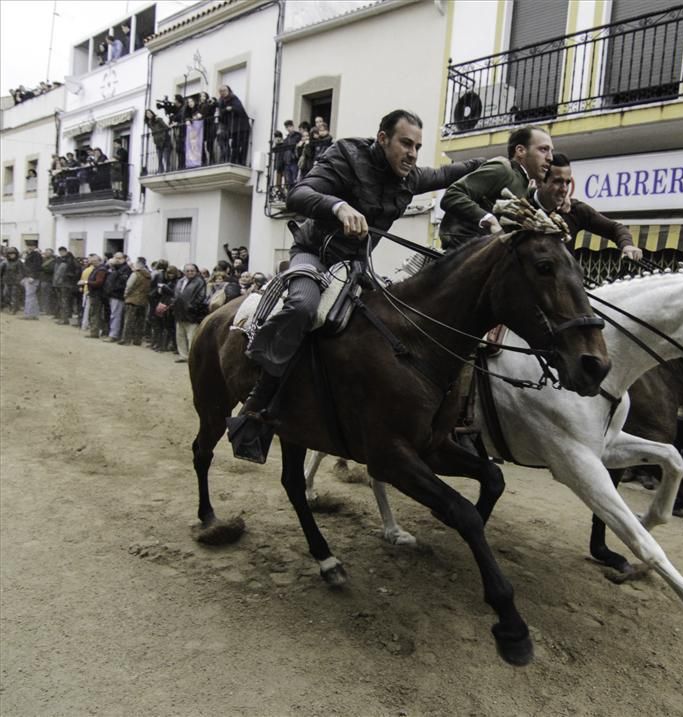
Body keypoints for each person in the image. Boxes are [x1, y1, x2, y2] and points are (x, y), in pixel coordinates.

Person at [230, 109, 484, 463]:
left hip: (355, 268)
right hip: (314, 255)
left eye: (417, 147)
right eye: (405, 143)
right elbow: (298, 195)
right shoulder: (346, 155)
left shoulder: (409, 179)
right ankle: (258, 406)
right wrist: (337, 206)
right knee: (303, 307)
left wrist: (492, 163)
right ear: (383, 139)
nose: (412, 153)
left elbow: (445, 173)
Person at [439, 125, 552, 247]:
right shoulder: (503, 169)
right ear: (520, 151)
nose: (550, 157)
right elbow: (452, 195)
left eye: (551, 151)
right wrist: (489, 219)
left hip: (483, 255)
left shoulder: (522, 182)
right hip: (462, 254)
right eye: (543, 150)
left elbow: (537, 195)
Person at [531, 153, 643, 260]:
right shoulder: (521, 208)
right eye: (558, 182)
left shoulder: (574, 210)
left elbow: (615, 228)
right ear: (540, 181)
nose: (564, 189)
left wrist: (627, 245)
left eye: (567, 182)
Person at [171, 264, 207, 363]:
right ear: (184, 272)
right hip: (179, 312)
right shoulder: (180, 281)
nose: (190, 272)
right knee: (180, 335)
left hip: (192, 314)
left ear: (196, 271)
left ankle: (192, 357)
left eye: (192, 271)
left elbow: (201, 296)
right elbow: (176, 295)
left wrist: (192, 306)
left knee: (191, 337)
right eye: (188, 271)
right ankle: (183, 355)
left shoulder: (200, 282)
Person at [120, 258, 151, 346]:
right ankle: (137, 340)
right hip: (143, 300)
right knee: (140, 321)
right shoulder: (148, 275)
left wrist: (126, 295)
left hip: (132, 299)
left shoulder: (136, 274)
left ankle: (126, 339)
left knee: (129, 320)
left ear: (138, 264)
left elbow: (129, 285)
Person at [217, 85, 250, 165]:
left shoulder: (234, 98)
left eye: (224, 90)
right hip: (233, 128)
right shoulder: (221, 101)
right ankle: (233, 161)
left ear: (228, 90)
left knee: (241, 145)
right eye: (221, 91)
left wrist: (232, 108)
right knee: (234, 145)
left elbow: (240, 109)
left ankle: (240, 162)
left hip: (242, 126)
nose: (223, 92)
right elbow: (221, 113)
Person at [102, 253, 131, 342]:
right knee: (114, 315)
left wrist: (113, 289)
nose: (117, 260)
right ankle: (112, 333)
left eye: (119, 258)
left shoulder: (125, 269)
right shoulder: (116, 268)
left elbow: (122, 283)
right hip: (113, 295)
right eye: (115, 258)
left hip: (117, 295)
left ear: (124, 259)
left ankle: (113, 335)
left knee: (115, 315)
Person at [52, 247, 81, 324]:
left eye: (61, 252)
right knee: (65, 301)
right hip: (68, 284)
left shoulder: (66, 261)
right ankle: (65, 317)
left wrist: (58, 281)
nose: (61, 254)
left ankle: (64, 319)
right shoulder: (72, 260)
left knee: (64, 301)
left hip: (65, 284)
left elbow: (59, 273)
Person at [85, 255, 111, 338]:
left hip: (97, 295)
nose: (92, 263)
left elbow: (99, 282)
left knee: (95, 313)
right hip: (96, 294)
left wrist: (87, 282)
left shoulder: (101, 270)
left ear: (99, 261)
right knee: (94, 313)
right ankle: (95, 331)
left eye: (94, 261)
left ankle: (94, 332)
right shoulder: (98, 269)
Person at [145, 110, 173, 174]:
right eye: (147, 114)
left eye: (149, 113)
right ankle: (160, 171)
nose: (149, 114)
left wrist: (163, 133)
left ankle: (168, 171)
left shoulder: (159, 120)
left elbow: (166, 127)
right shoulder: (149, 124)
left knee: (166, 158)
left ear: (152, 113)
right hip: (157, 142)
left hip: (165, 141)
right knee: (159, 158)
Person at [283, 120, 301, 188]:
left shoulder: (298, 136)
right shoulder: (286, 139)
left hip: (294, 161)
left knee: (295, 179)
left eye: (290, 126)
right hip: (287, 162)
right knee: (288, 181)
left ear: (293, 126)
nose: (288, 128)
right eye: (287, 127)